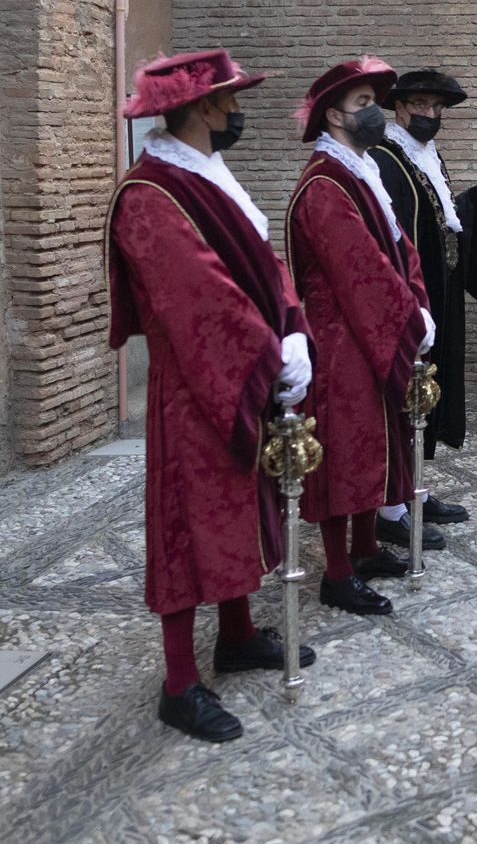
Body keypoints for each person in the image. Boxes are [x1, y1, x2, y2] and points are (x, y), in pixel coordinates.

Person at [107, 49, 315, 741]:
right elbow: (197, 295)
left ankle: (234, 632)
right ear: (200, 108)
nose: (237, 112)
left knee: (238, 512)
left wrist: (292, 326)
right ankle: (178, 682)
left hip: (242, 368)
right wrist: (266, 349)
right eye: (229, 101)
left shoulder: (208, 174)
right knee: (186, 525)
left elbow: (262, 258)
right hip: (194, 384)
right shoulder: (148, 194)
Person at [287, 56, 433, 617]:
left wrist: (418, 300)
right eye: (363, 105)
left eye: (375, 103)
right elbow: (360, 268)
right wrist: (411, 318)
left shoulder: (361, 169)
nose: (374, 114)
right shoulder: (325, 184)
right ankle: (338, 573)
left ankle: (368, 547)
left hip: (373, 329)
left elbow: (399, 248)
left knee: (379, 443)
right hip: (341, 337)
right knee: (345, 453)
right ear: (334, 116)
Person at [369, 69, 477, 552]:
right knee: (404, 395)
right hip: (409, 294)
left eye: (437, 108)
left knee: (428, 393)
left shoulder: (427, 154)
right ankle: (388, 509)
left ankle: (413, 487)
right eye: (421, 105)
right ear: (398, 107)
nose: (430, 115)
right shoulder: (384, 158)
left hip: (439, 288)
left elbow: (442, 217)